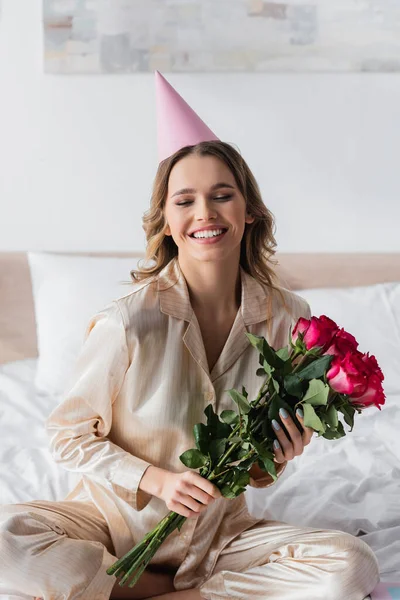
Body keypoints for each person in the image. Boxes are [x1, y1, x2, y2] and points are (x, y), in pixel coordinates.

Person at [0, 72, 379, 600]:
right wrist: (155, 480)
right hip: (110, 526)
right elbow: (68, 434)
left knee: (351, 565)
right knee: (3, 543)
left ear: (249, 213)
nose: (205, 213)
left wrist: (280, 457)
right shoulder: (129, 321)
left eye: (222, 195)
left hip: (220, 539)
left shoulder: (288, 318)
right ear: (167, 221)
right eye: (185, 201)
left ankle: (149, 593)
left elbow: (252, 463)